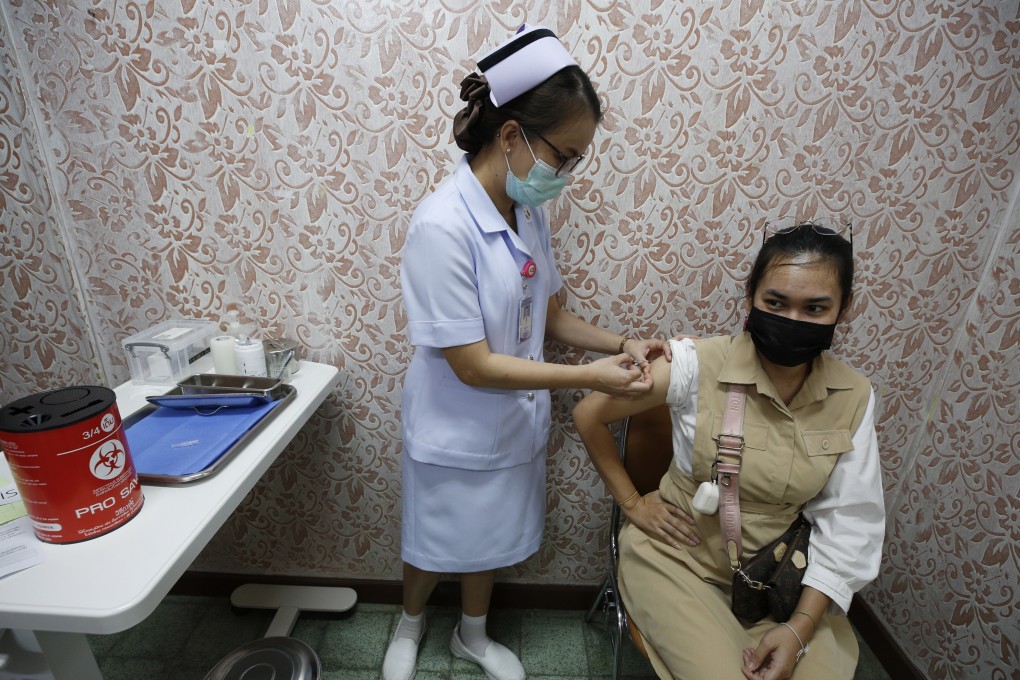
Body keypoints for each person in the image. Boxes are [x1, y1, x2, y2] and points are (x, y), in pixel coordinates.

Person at [386, 25, 671, 680]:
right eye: (563, 155)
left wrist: (622, 343)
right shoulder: (440, 225)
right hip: (452, 422)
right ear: (511, 135)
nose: (565, 173)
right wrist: (586, 376)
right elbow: (472, 364)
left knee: (487, 539)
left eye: (575, 160)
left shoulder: (527, 210)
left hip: (512, 424)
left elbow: (549, 313)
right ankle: (407, 626)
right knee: (432, 541)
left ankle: (472, 635)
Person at [573, 222, 885, 680]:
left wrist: (800, 628)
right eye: (776, 302)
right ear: (750, 297)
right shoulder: (696, 363)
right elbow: (590, 415)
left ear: (844, 309)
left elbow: (850, 522)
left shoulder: (854, 396)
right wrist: (632, 503)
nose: (792, 321)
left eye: (815, 308)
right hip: (678, 560)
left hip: (780, 580)